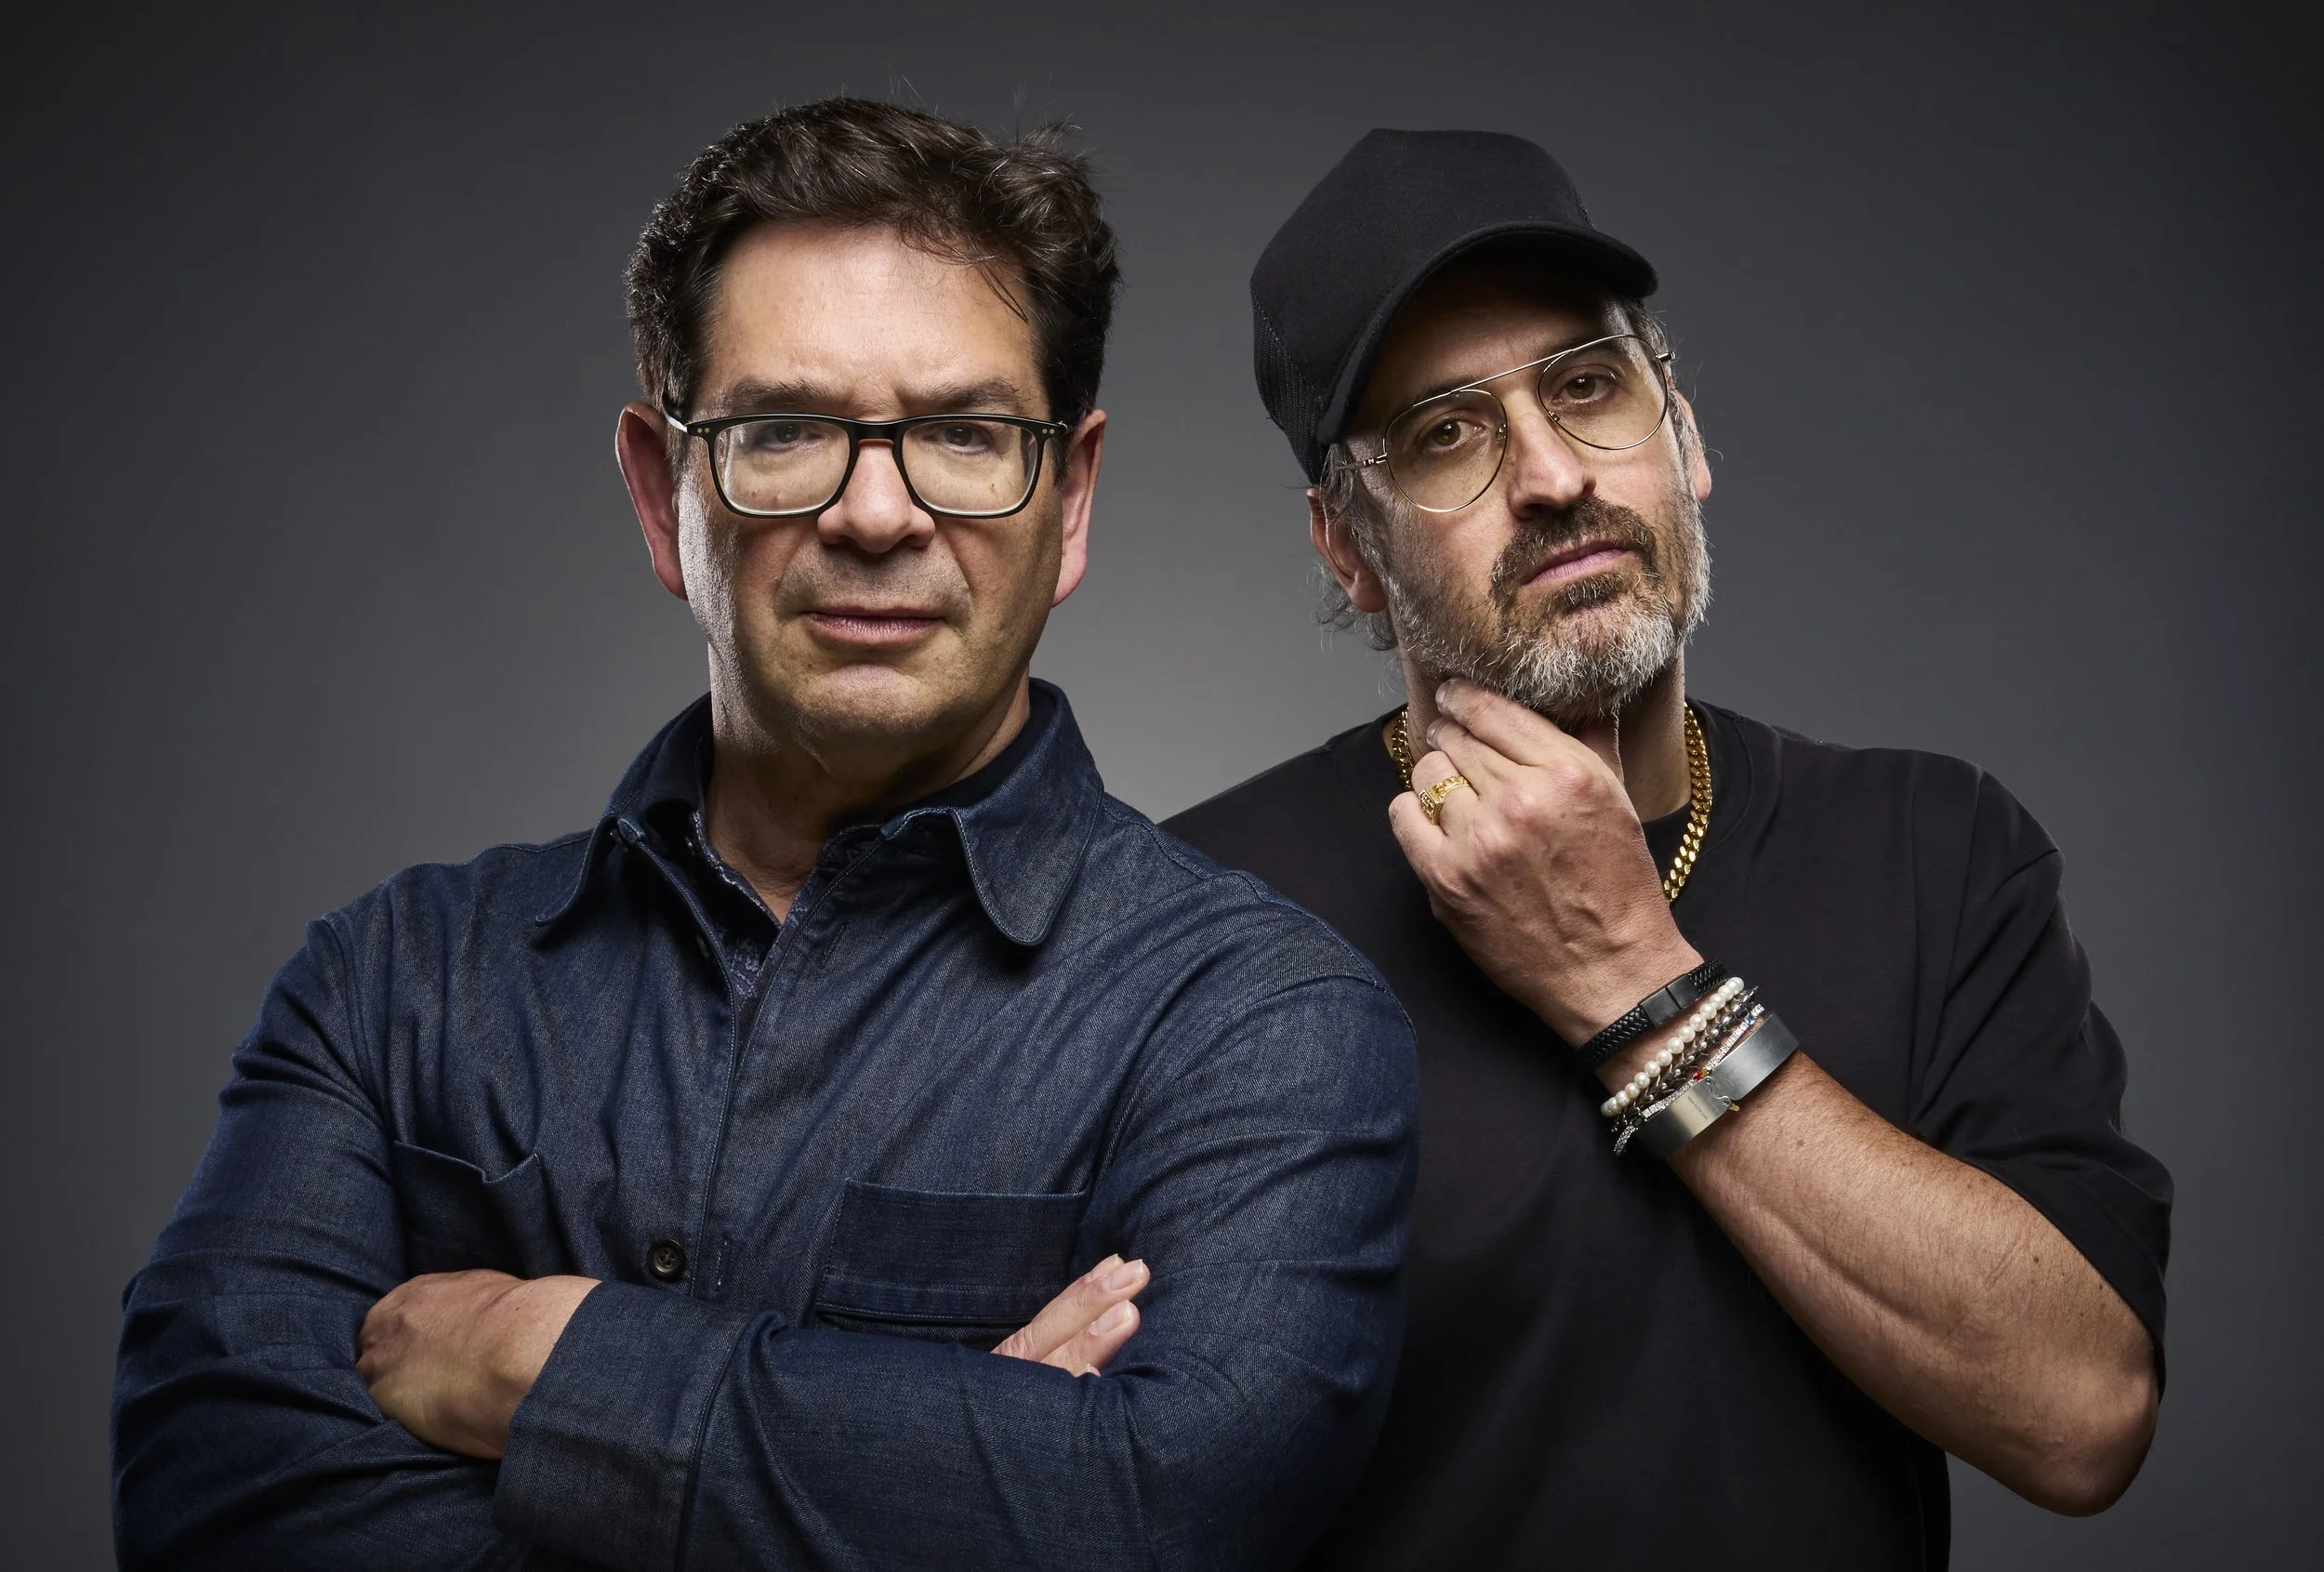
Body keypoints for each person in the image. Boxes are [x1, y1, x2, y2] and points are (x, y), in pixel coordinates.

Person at [112, 99, 1416, 1571]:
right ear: (661, 495)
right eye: (782, 432)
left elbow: (1167, 1513)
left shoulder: (1257, 1024)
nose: (875, 512)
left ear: (1072, 499)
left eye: (967, 434)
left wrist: (544, 1355)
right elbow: (204, 1500)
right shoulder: (388, 984)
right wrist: (941, 1480)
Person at [1166, 128, 2171, 1570]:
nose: (1554, 474)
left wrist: (1636, 984)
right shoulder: (1191, 924)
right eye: (1448, 433)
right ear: (1348, 551)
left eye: (1589, 387)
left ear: (1682, 435)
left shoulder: (1937, 849)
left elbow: (2084, 1413)